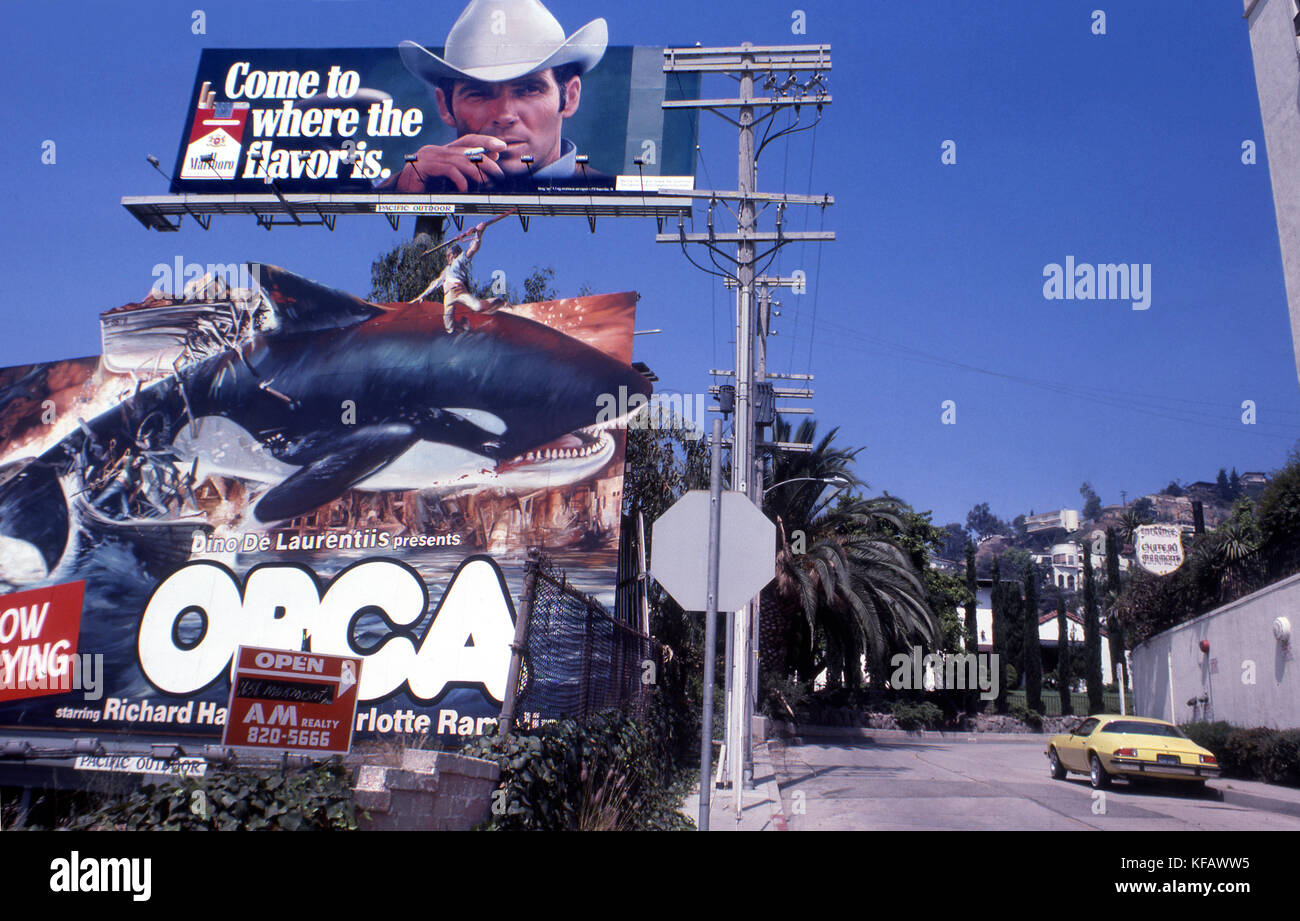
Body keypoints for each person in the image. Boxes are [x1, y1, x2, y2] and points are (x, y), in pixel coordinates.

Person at [390, 0, 610, 193]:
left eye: (529, 90)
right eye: (479, 94)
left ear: (570, 97)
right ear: (445, 107)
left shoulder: (610, 189)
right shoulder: (414, 182)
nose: (504, 115)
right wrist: (401, 187)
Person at [410, 222, 503, 332]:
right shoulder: (446, 270)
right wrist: (422, 296)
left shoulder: (459, 260)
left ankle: (497, 302)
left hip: (459, 291)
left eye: (448, 255)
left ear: (454, 254)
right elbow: (435, 283)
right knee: (448, 325)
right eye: (447, 256)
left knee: (477, 307)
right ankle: (462, 329)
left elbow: (472, 249)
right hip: (448, 295)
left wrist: (479, 234)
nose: (447, 258)